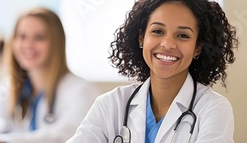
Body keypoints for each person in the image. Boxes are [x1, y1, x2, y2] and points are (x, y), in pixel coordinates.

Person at [67, 0, 238, 142]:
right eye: (157, 31)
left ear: (198, 47)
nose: (168, 43)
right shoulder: (110, 105)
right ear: (142, 37)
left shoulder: (213, 109)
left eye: (183, 35)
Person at [0, 7, 100, 143]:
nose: (28, 45)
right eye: (22, 36)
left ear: (56, 43)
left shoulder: (80, 90)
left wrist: (2, 141)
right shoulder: (11, 86)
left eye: (39, 38)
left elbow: (64, 136)